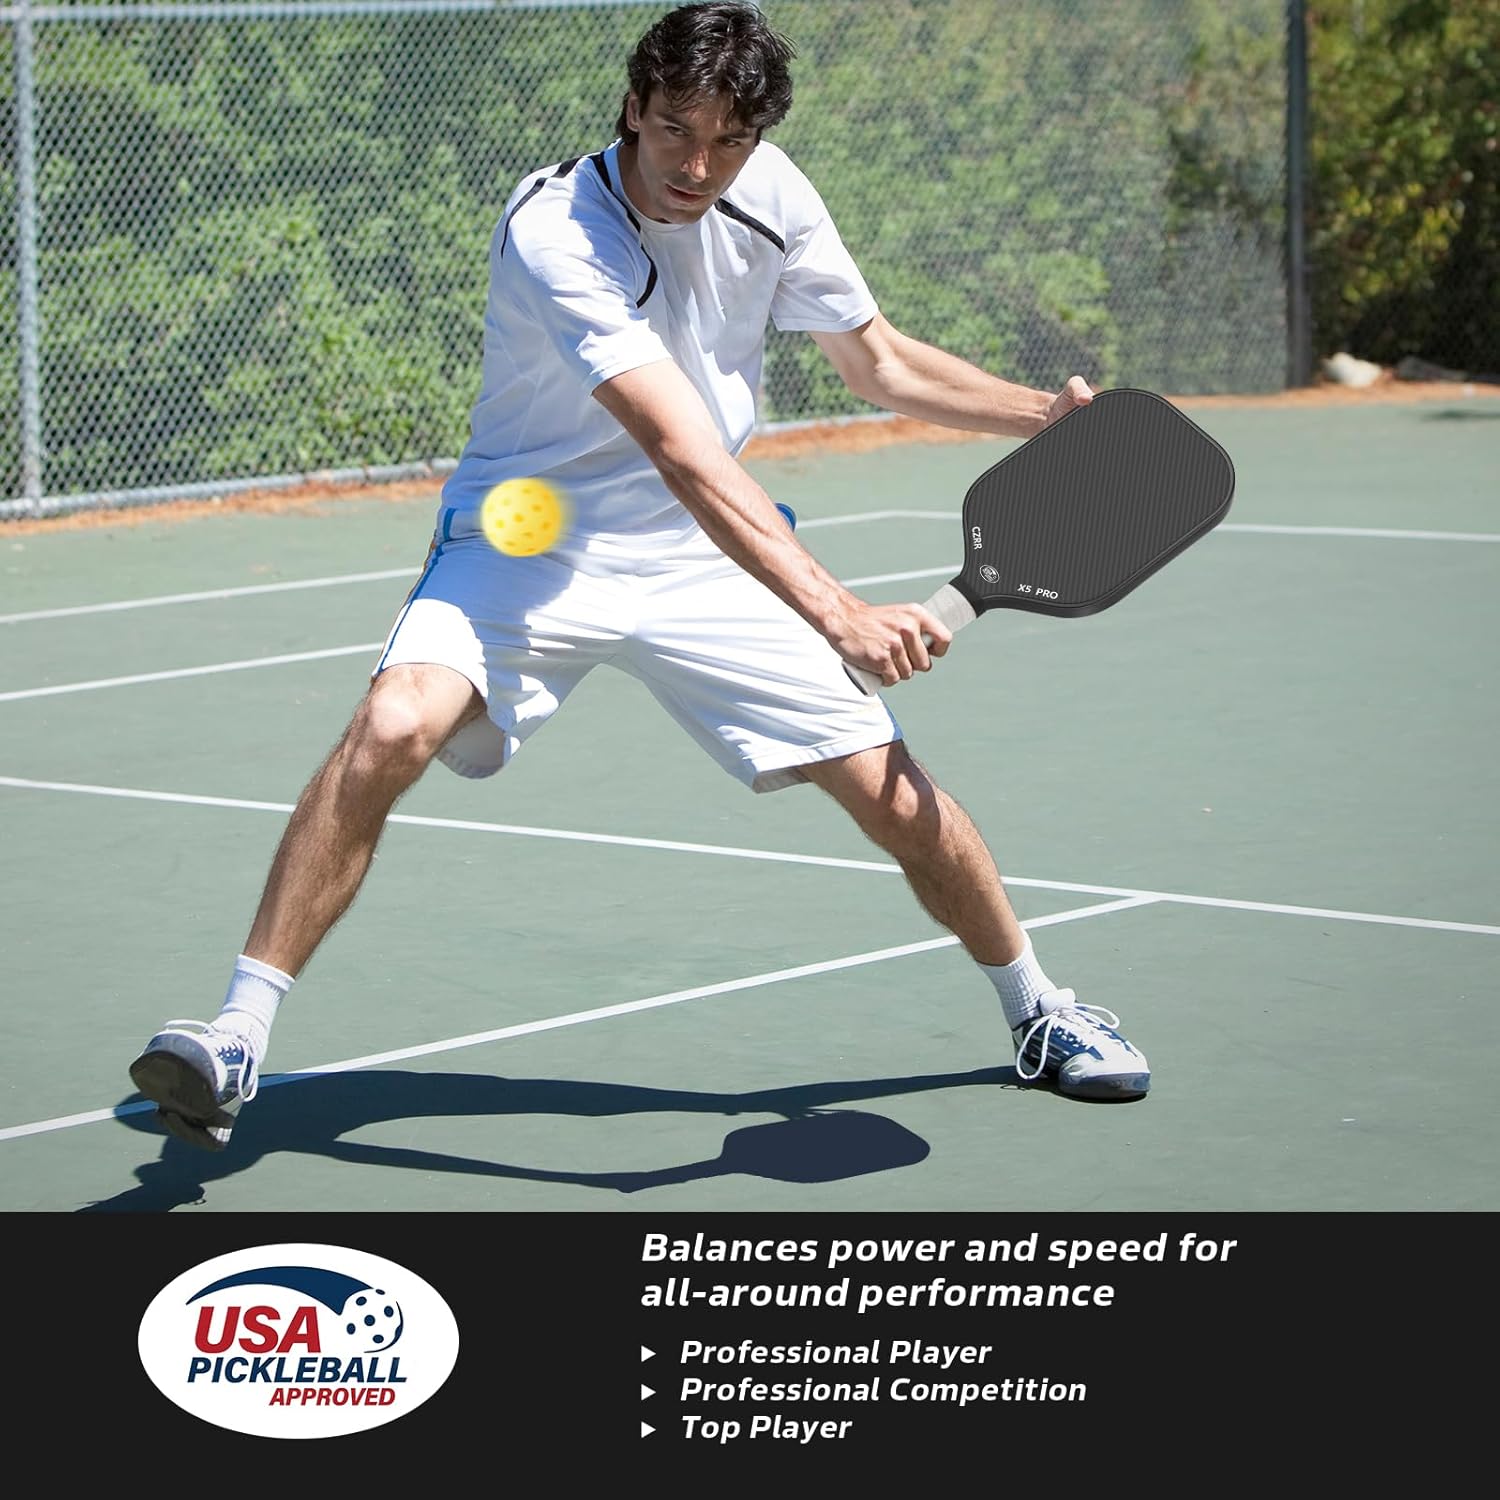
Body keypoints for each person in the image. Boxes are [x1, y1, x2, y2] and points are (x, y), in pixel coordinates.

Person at [127, 1, 1148, 1152]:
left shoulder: (772, 196)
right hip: (534, 534)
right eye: (674, 131)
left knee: (891, 794)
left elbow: (879, 361)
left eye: (728, 142)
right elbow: (679, 446)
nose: (697, 167)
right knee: (393, 726)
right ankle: (236, 1035)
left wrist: (1040, 416)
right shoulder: (557, 227)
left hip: (698, 552)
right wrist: (838, 612)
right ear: (632, 106)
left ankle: (1040, 1011)